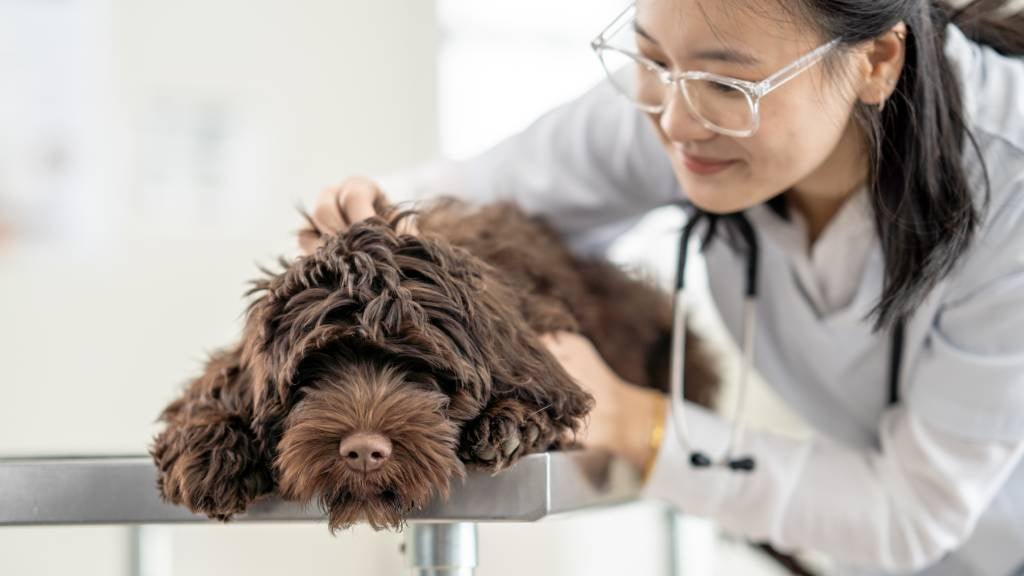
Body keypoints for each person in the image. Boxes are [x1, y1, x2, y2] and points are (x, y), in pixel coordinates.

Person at [299, 1, 1024, 574]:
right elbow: (468, 196)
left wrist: (635, 422)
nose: (675, 122)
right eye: (649, 58)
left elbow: (914, 509)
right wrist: (366, 214)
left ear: (877, 61)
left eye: (726, 84)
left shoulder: (1011, 179)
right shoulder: (686, 94)